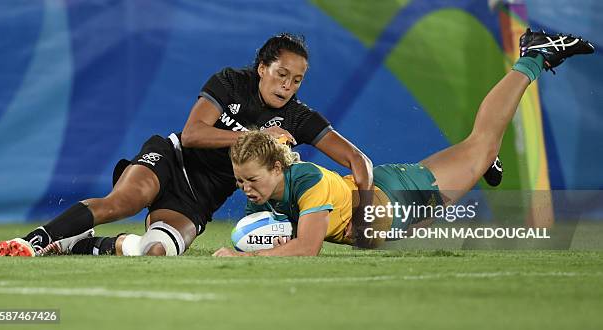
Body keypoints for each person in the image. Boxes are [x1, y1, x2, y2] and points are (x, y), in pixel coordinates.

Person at [212, 29, 594, 257]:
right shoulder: (263, 188)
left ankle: (533, 57)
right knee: (473, 156)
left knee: (482, 144)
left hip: (397, 200)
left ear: (277, 167)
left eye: (250, 180)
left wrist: (247, 255)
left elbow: (306, 249)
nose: (245, 189)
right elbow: (279, 235)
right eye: (241, 181)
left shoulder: (306, 179)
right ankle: (478, 164)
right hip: (390, 200)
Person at [0, 33, 375, 257]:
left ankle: (78, 245)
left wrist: (363, 216)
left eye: (297, 80)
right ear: (262, 67)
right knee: (122, 202)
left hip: (201, 198)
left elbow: (357, 160)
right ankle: (33, 241)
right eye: (281, 75)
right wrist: (256, 137)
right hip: (173, 157)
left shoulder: (298, 117)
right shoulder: (230, 82)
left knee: (155, 251)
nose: (287, 86)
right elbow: (193, 133)